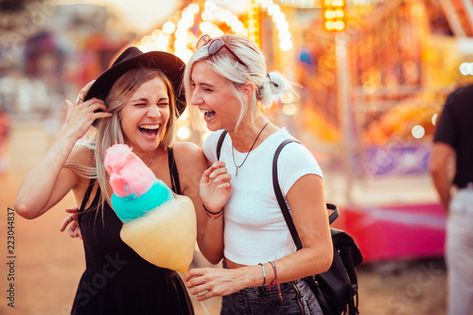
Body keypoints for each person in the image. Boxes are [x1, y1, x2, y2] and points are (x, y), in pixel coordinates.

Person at [14, 47, 223, 315]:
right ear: (116, 111)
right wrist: (69, 135)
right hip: (101, 304)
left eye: (162, 103)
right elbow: (26, 205)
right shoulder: (87, 163)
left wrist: (213, 209)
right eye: (140, 104)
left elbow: (213, 252)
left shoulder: (183, 159)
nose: (155, 114)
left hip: (165, 305)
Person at [182, 34, 333, 314]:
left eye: (206, 88)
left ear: (246, 90)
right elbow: (213, 254)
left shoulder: (291, 158)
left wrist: (242, 277)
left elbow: (321, 255)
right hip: (233, 300)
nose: (194, 99)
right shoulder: (216, 146)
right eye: (193, 86)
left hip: (285, 302)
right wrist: (212, 209)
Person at [430, 84, 473, 315]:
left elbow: (437, 166)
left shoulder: (459, 98)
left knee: (462, 293)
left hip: (467, 205)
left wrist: (450, 206)